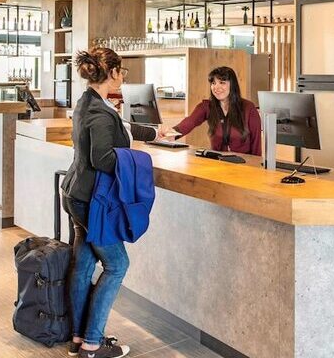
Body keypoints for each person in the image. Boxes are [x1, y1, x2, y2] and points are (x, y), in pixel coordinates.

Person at [60, 47, 171, 358]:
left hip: (76, 194)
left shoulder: (89, 102)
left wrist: (155, 133)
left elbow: (120, 128)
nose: (123, 76)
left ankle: (78, 338)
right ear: (111, 73)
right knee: (117, 265)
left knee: (84, 266)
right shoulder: (99, 112)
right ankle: (93, 344)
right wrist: (139, 159)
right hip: (90, 200)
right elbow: (103, 158)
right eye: (121, 71)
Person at [172, 66, 261, 155]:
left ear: (232, 85)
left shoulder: (249, 108)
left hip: (244, 162)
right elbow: (189, 122)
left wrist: (256, 163)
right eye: (213, 83)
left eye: (222, 83)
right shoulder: (207, 106)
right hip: (217, 161)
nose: (216, 87)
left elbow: (256, 144)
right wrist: (170, 133)